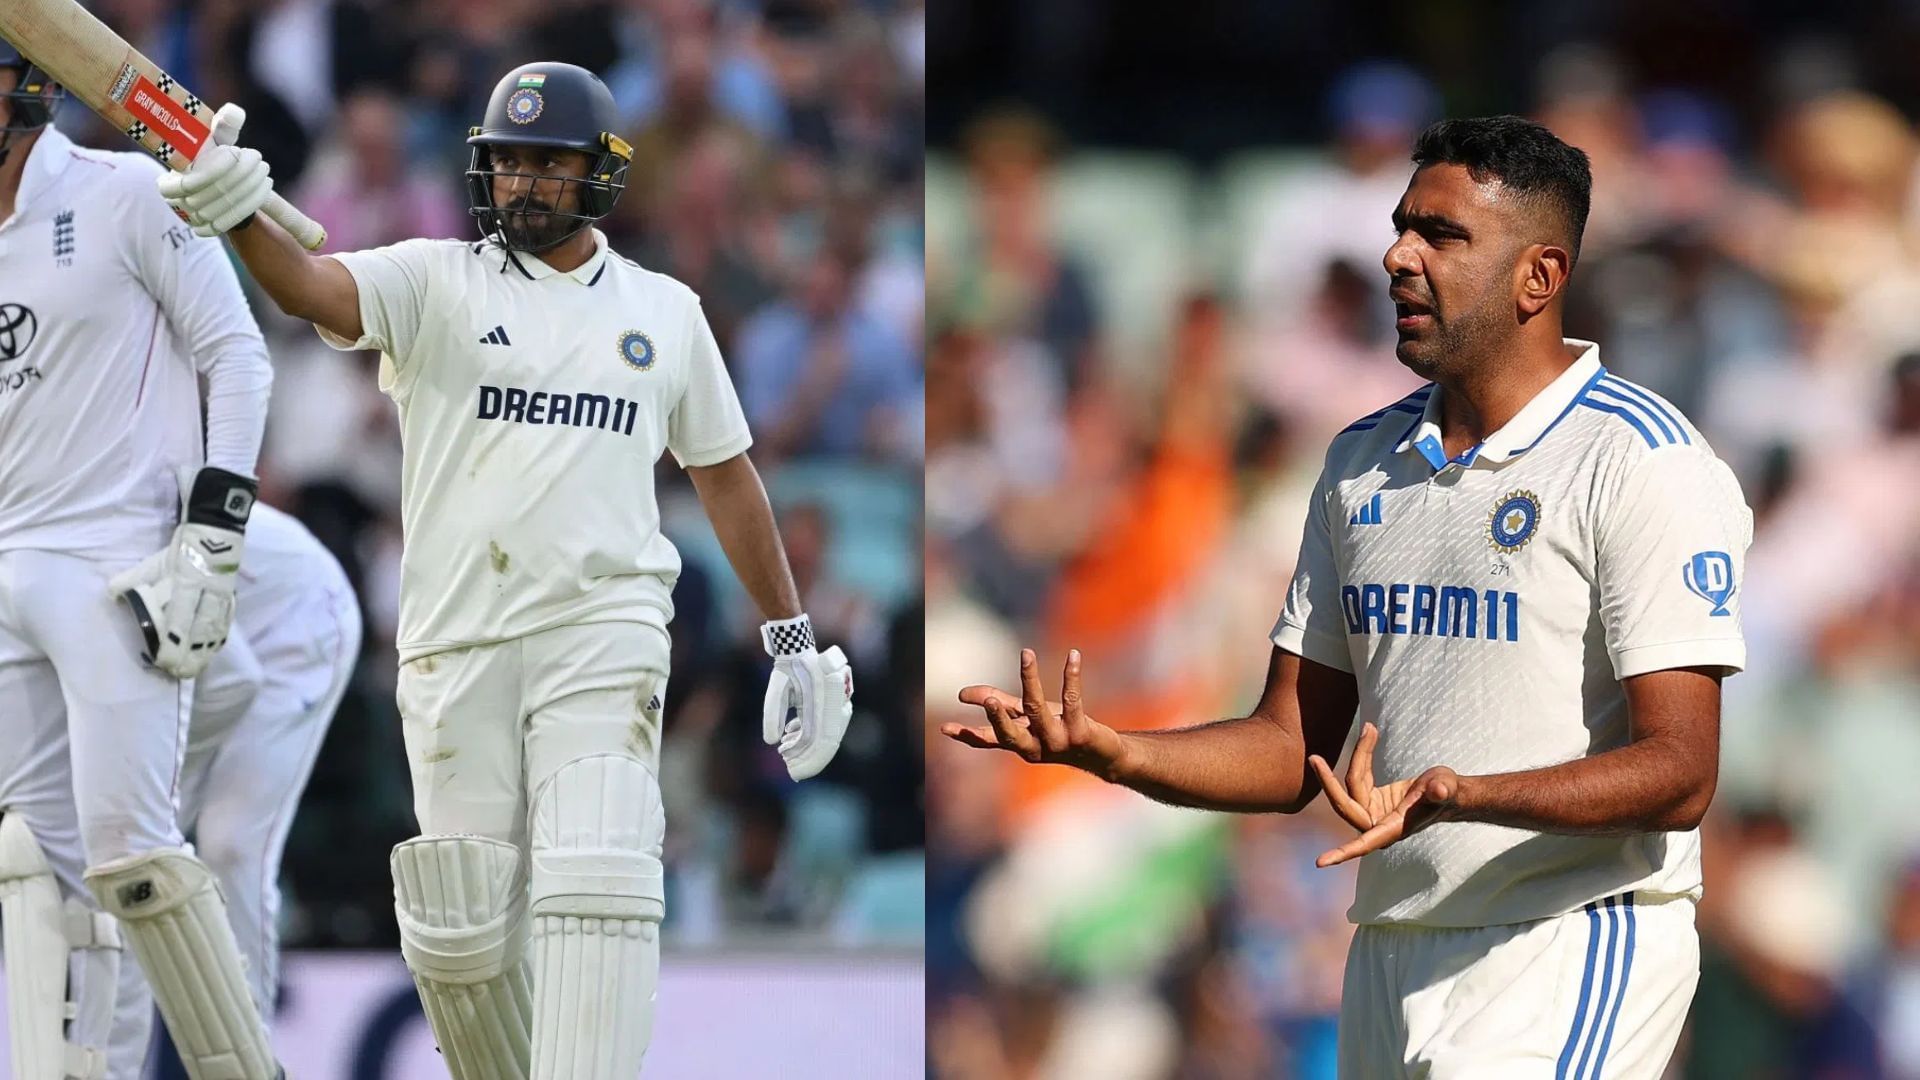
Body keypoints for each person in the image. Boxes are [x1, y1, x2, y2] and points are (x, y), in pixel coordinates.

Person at [945, 116, 1752, 1079]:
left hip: (1568, 937)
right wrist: (1117, 753)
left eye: (1442, 236)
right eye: (1402, 227)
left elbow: (1681, 771)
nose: (1397, 256)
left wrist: (1469, 795)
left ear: (1540, 277)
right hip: (1390, 947)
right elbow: (1294, 748)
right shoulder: (1360, 464)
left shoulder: (1642, 463)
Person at [154, 62, 855, 1077]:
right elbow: (313, 287)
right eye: (509, 162)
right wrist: (240, 212)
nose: (524, 183)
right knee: (460, 937)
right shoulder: (435, 278)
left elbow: (728, 477)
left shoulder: (665, 312)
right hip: (454, 643)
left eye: (548, 164)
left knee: (596, 877)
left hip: (602, 629)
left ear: (600, 176)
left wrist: (790, 635)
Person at [0, 46, 285, 1079]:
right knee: (44, 878)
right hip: (7, 574)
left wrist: (214, 532)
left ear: (23, 83)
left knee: (136, 866)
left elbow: (238, 354)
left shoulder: (124, 192)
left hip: (112, 568)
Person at [122, 503, 362, 1066]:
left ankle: (248, 1058)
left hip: (297, 625)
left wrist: (163, 804)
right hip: (200, 656)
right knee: (124, 855)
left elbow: (236, 682)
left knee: (230, 844)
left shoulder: (97, 531)